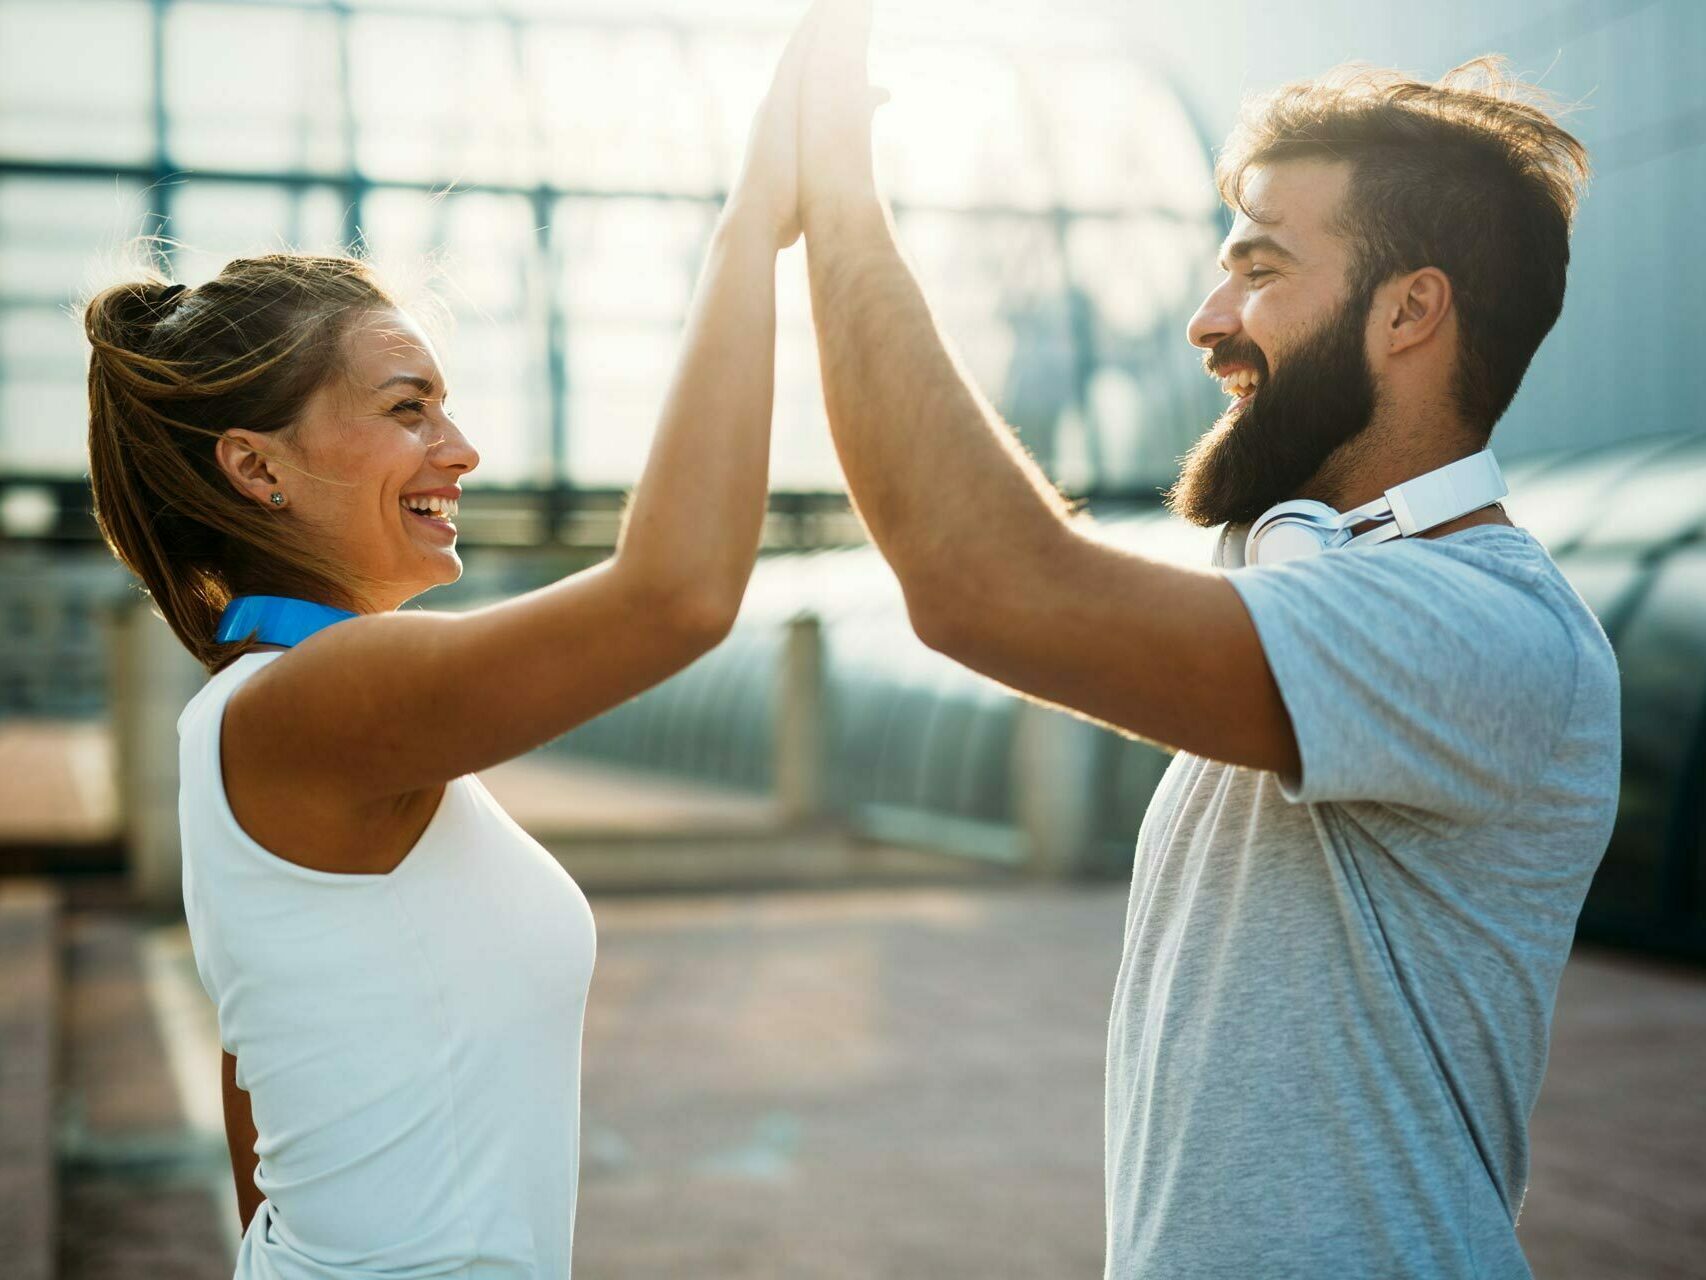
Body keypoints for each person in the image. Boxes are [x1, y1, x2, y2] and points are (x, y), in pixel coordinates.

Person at [791, 3, 1619, 1277]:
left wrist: (830, 190)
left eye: (1260, 267)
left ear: (1409, 312)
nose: (1206, 317)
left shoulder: (1484, 628)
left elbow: (984, 583)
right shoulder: (1336, 586)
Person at [81, 16, 815, 1275]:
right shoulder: (324, 692)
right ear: (255, 466)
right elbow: (677, 596)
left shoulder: (270, 706)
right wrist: (748, 229)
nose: (460, 448)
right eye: (406, 408)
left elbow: (262, 1082)